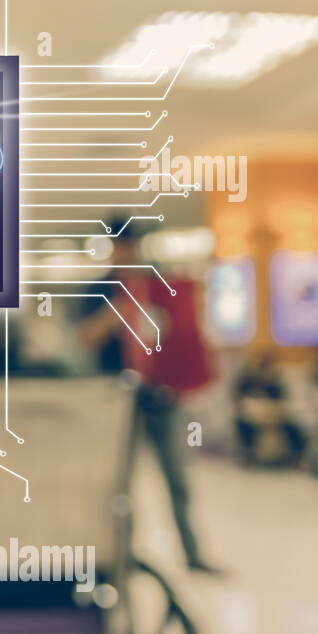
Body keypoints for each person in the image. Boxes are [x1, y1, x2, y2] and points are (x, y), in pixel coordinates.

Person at [78, 219, 224, 575]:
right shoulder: (97, 290)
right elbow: (85, 338)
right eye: (121, 245)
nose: (128, 252)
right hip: (116, 399)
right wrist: (120, 308)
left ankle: (192, 554)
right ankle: (117, 555)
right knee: (117, 483)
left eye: (132, 245)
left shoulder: (158, 287)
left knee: (177, 477)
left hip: (162, 395)